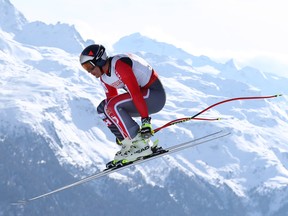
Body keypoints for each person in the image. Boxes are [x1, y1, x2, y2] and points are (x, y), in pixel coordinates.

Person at [79, 44, 166, 166]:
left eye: (89, 66)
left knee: (112, 106)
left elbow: (135, 93)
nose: (89, 72)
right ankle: (129, 143)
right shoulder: (104, 77)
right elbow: (110, 102)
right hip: (143, 98)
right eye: (85, 68)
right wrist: (121, 132)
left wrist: (145, 122)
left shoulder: (119, 65)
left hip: (154, 96)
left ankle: (141, 145)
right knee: (102, 109)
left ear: (99, 60)